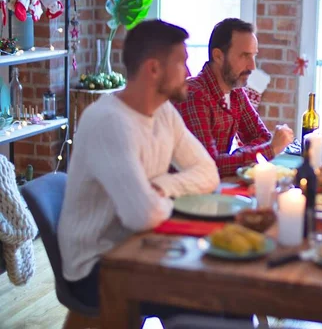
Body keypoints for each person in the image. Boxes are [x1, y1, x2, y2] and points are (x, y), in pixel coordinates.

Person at [58, 20, 220, 308]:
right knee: (210, 294)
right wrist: (157, 199)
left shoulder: (164, 112)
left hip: (142, 246)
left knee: (222, 286)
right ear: (153, 69)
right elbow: (141, 215)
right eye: (181, 62)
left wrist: (160, 187)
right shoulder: (108, 122)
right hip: (98, 266)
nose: (189, 72)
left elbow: (209, 173)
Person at [176, 18, 294, 177]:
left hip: (218, 185)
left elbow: (262, 137)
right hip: (188, 194)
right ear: (218, 56)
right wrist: (269, 150)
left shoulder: (236, 91)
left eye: (253, 56)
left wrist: (235, 157)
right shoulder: (195, 95)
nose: (252, 66)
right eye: (245, 56)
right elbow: (209, 165)